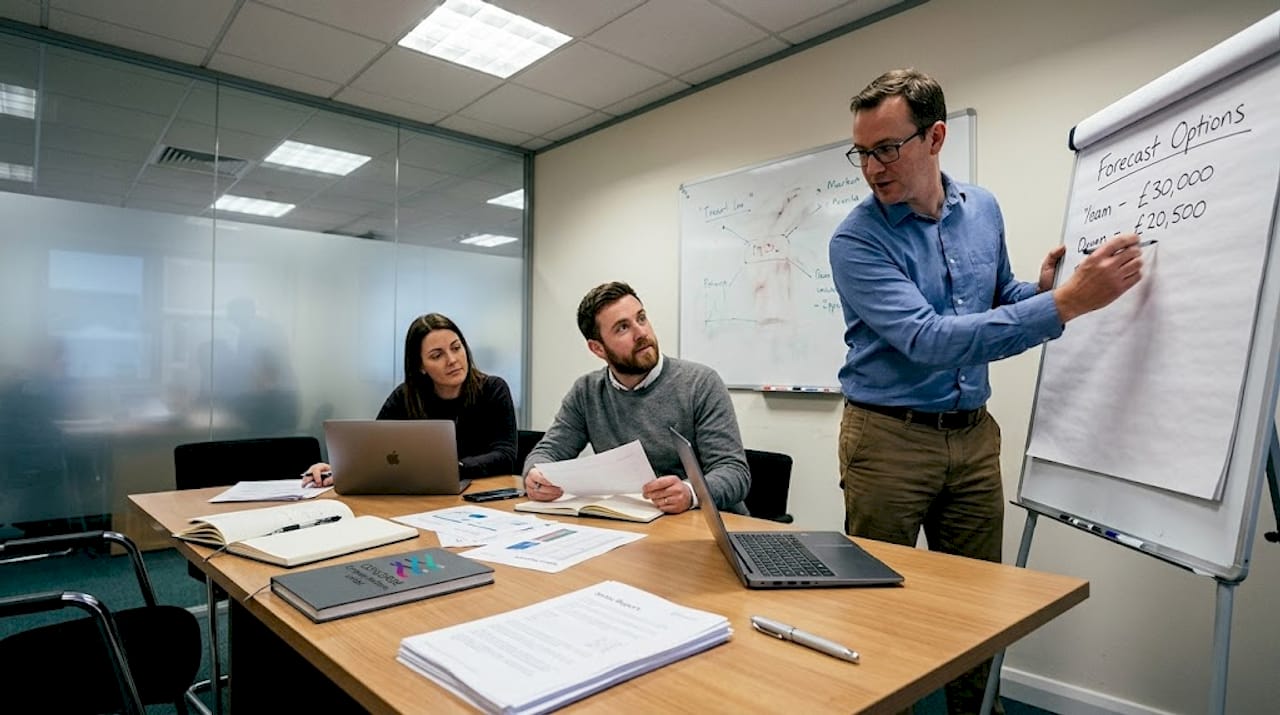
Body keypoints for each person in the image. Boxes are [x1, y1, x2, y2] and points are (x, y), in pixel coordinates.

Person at [828, 68, 1144, 714]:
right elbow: (930, 338)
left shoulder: (985, 210)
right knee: (878, 603)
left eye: (886, 148)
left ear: (935, 136)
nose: (872, 168)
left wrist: (1040, 291)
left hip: (972, 437)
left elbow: (998, 298)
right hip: (887, 442)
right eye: (862, 152)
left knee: (976, 607)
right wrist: (1063, 305)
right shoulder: (855, 240)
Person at [522, 281, 750, 514]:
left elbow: (733, 472)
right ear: (597, 349)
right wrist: (535, 475)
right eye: (622, 327)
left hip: (705, 526)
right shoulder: (587, 391)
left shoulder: (700, 383)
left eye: (641, 318)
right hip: (634, 525)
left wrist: (691, 492)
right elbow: (548, 451)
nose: (641, 333)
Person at [302, 313, 516, 485]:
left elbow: (505, 455)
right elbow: (374, 449)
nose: (452, 360)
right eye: (437, 355)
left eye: (456, 347)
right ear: (420, 366)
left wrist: (455, 468)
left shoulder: (493, 389)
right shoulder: (405, 396)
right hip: (418, 497)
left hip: (479, 496)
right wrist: (338, 469)